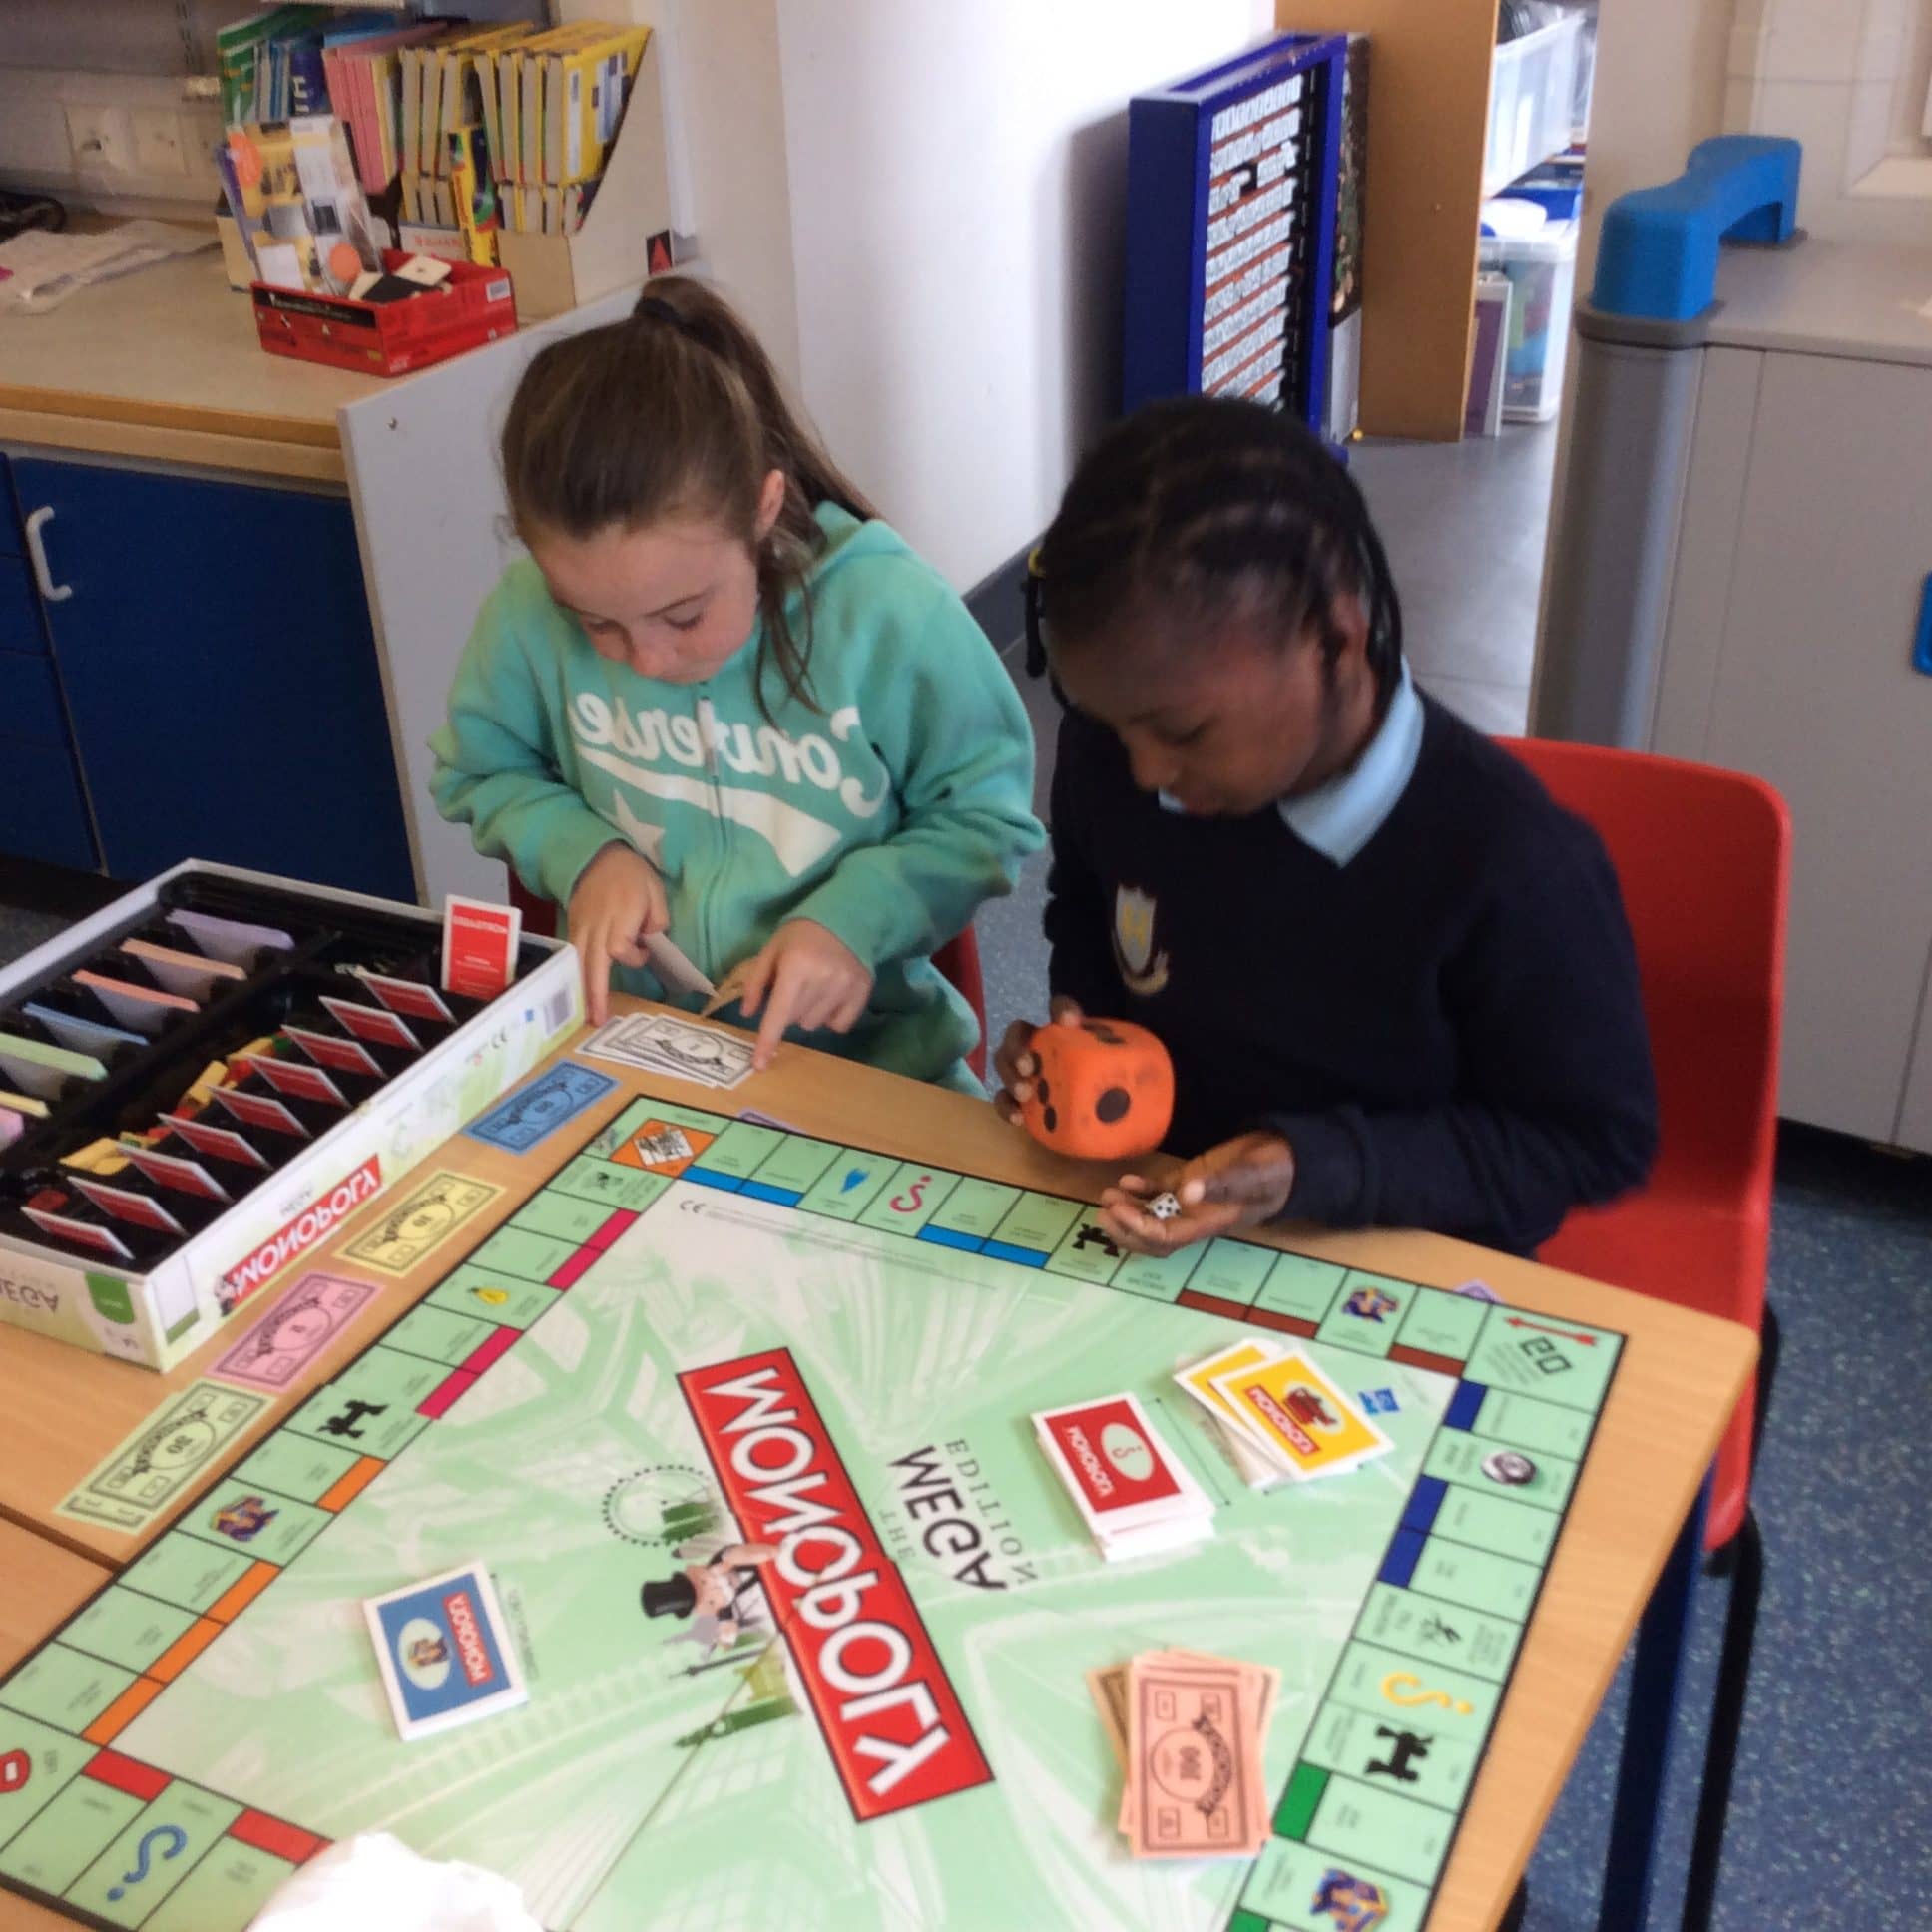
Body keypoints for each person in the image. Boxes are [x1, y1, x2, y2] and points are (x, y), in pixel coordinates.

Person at [995, 396, 1657, 1257]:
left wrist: (1310, 1166)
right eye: (1111, 724)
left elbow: (1589, 1140)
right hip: (1162, 1210)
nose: (1147, 772)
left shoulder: (1512, 862)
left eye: (1185, 734)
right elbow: (1084, 894)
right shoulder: (1112, 753)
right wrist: (1077, 1025)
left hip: (1398, 1252)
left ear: (1336, 642)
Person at [431, 277, 1042, 1087]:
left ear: (764, 508)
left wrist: (856, 919)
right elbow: (479, 768)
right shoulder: (523, 616)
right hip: (644, 1057)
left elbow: (986, 816)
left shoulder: (885, 611)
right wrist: (586, 855)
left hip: (879, 1072)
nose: (643, 660)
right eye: (594, 623)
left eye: (683, 617)